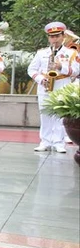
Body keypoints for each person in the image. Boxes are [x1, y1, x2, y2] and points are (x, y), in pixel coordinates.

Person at [27, 22, 79, 153]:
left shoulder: (71, 53)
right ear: (48, 38)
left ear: (63, 36)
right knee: (44, 114)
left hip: (62, 85)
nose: (54, 39)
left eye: (57, 36)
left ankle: (58, 142)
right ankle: (44, 141)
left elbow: (77, 70)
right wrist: (40, 79)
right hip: (45, 86)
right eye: (51, 37)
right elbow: (31, 69)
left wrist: (61, 67)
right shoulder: (41, 53)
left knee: (60, 115)